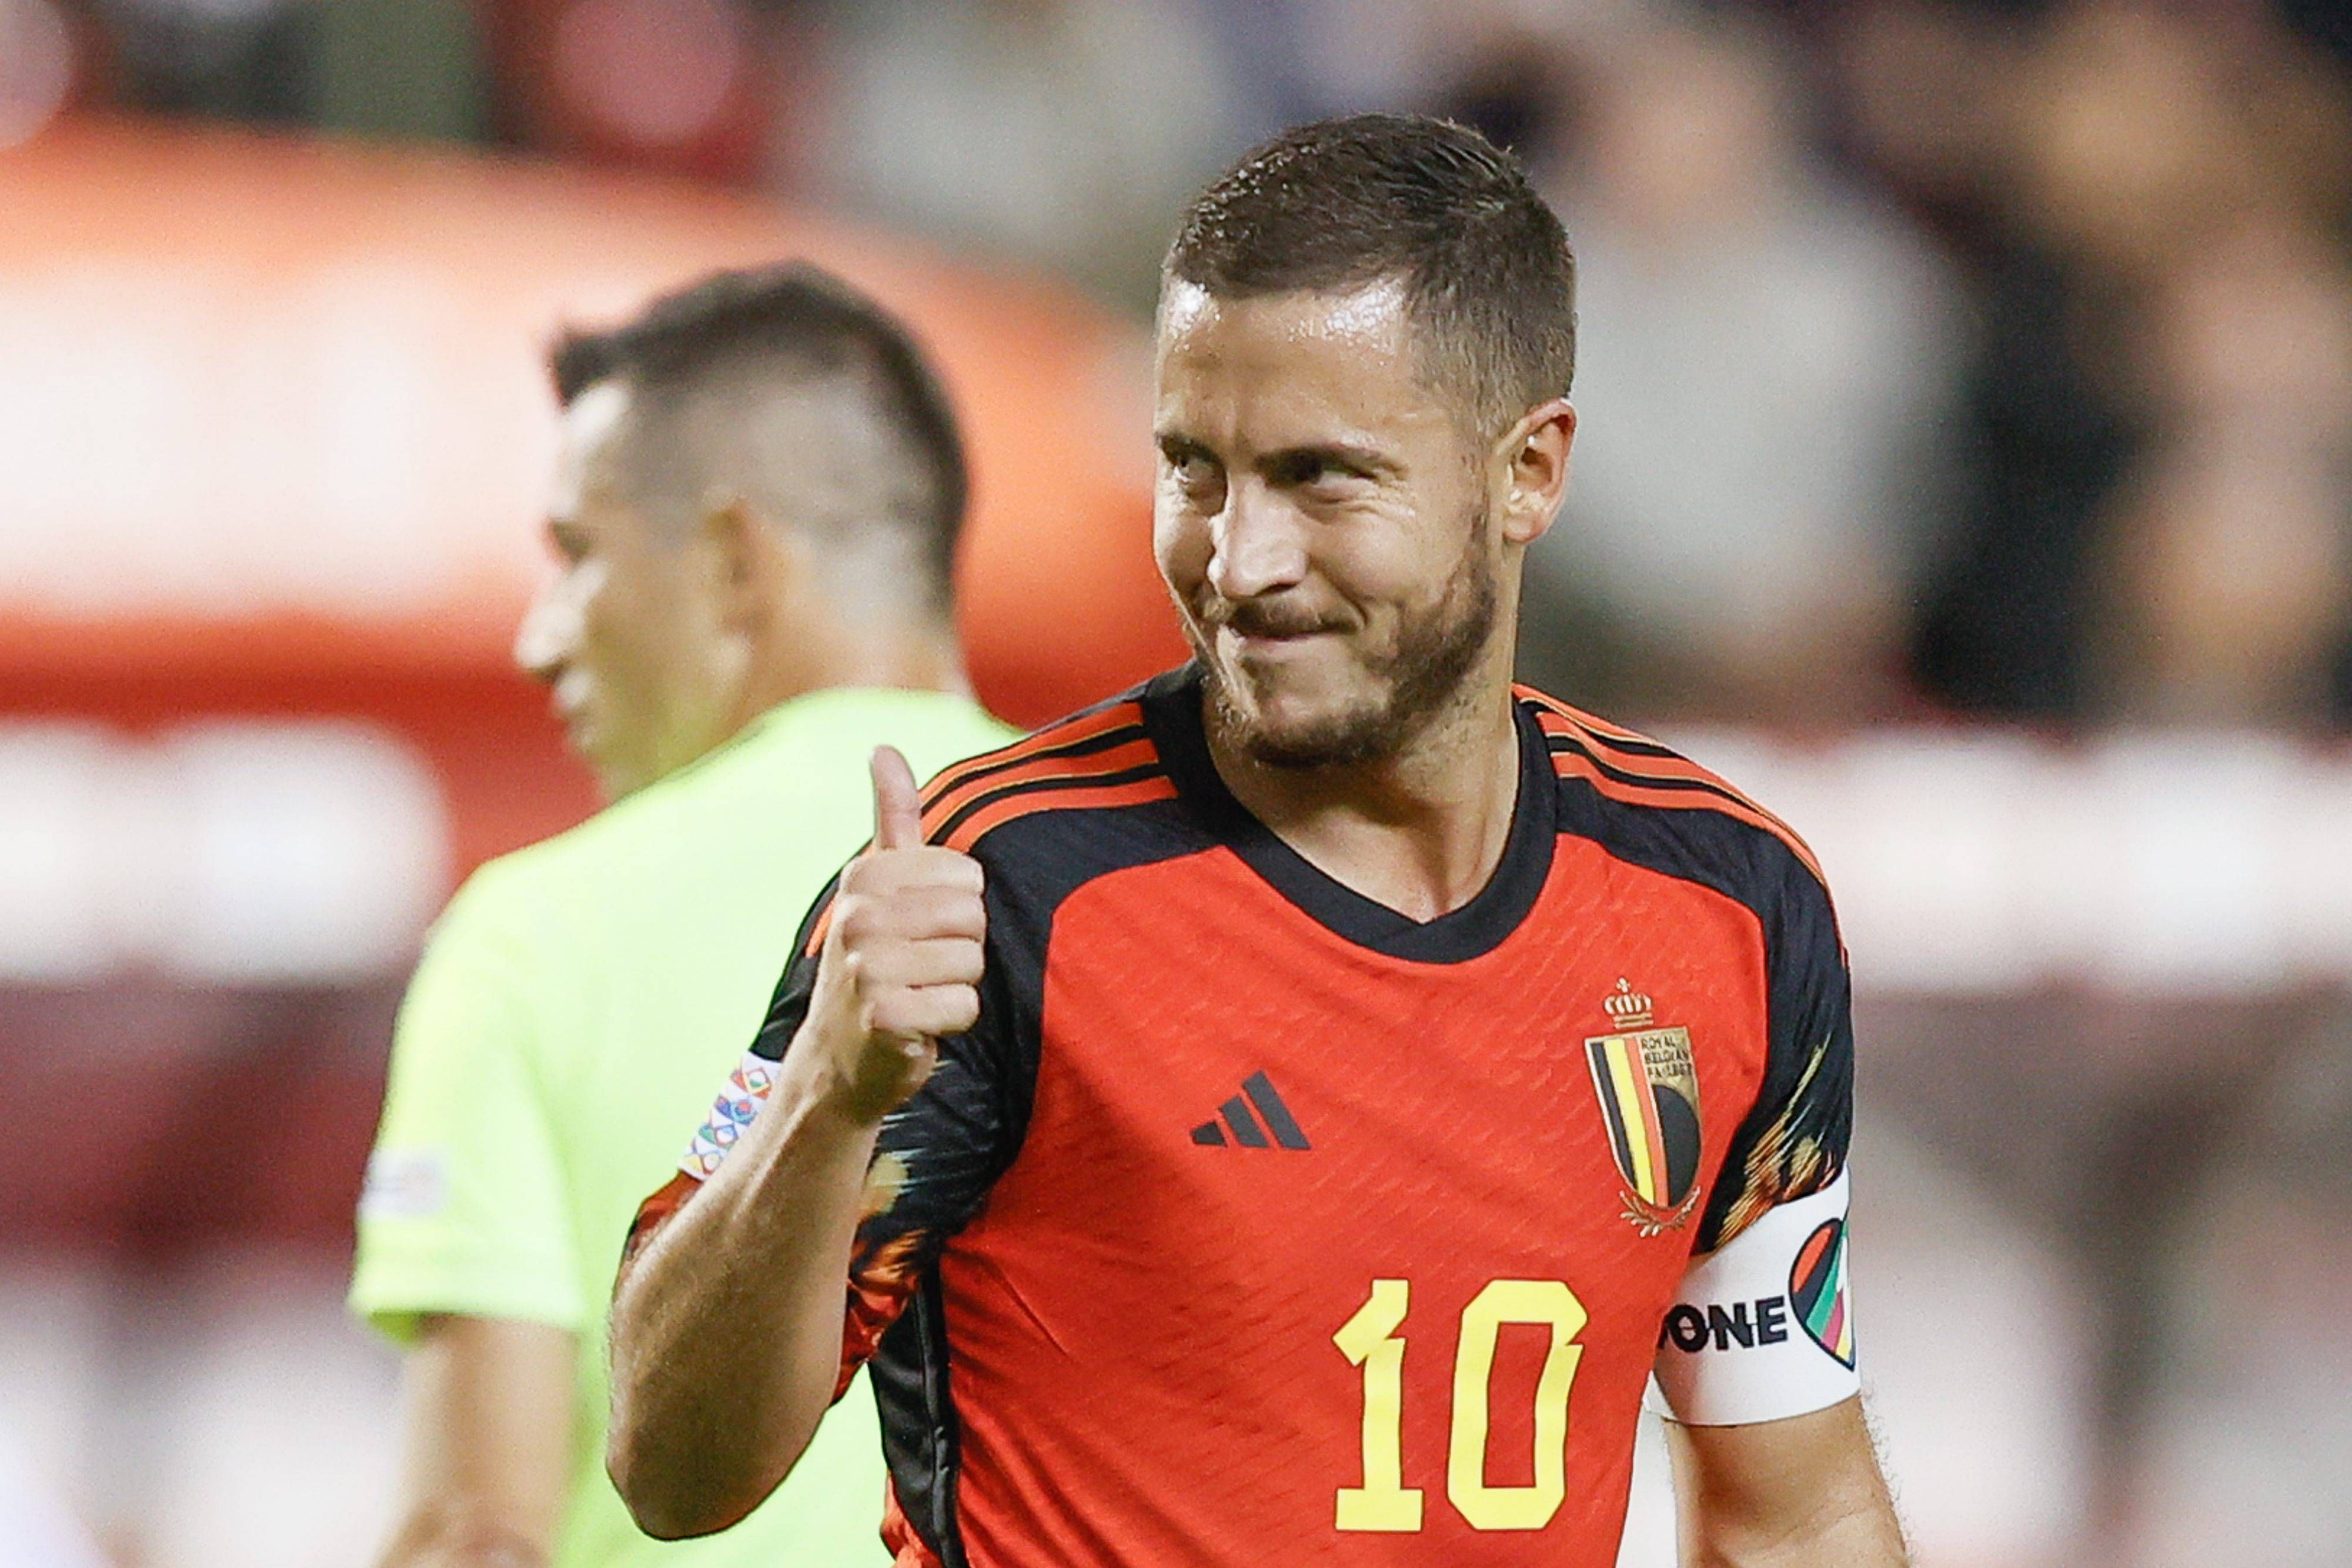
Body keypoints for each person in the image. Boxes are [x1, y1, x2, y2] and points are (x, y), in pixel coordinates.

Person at [607, 118, 1908, 1564]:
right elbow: (668, 1466)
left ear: (1528, 473)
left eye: (1318, 477)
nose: (1239, 560)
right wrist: (824, 1108)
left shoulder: (1721, 908)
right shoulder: (997, 888)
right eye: (1194, 470)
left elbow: (1793, 1517)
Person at [349, 263, 1013, 1568]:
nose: (540, 637)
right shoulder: (1153, 893)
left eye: (577, 555)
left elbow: (470, 1532)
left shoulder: (530, 935)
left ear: (731, 559)